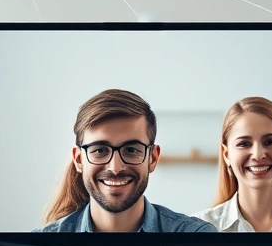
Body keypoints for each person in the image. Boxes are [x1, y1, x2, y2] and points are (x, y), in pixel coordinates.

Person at [36, 89, 216, 232]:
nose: (115, 168)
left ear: (152, 158)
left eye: (131, 150)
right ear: (78, 160)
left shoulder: (196, 238)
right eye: (100, 150)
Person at [194, 97, 272, 231]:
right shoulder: (199, 228)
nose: (258, 155)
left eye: (270, 142)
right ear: (226, 154)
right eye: (244, 144)